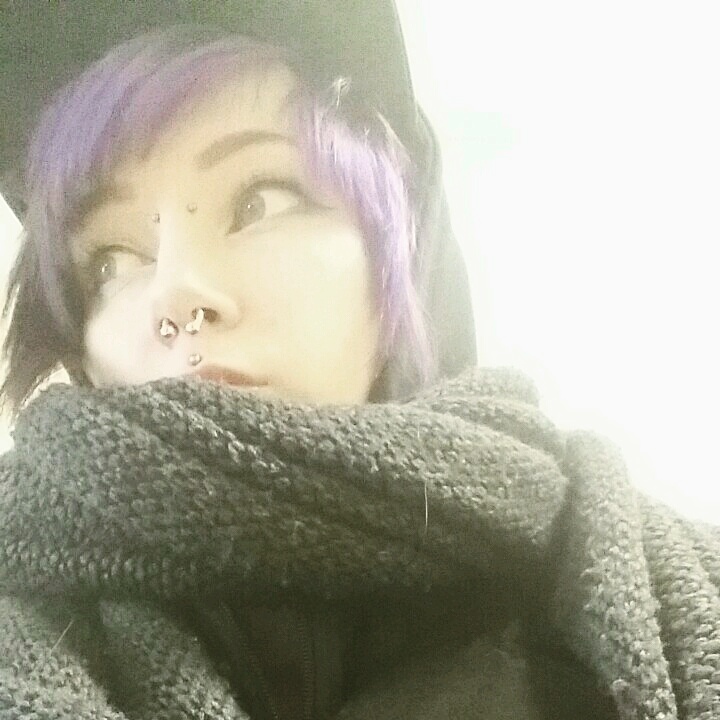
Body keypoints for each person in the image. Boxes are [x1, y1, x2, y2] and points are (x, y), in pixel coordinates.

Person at [0, 3, 718, 719]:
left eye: (259, 201)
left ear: (403, 255)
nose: (175, 291)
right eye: (111, 260)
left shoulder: (655, 592)